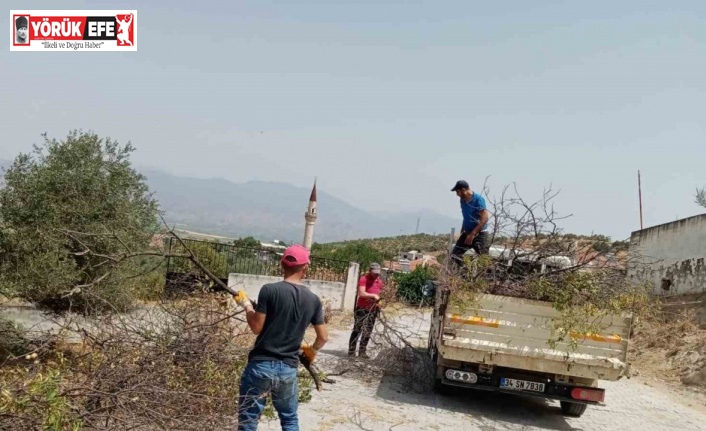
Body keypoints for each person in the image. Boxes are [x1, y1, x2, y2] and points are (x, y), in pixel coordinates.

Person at [233, 244, 328, 431]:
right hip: (287, 369)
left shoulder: (269, 290)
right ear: (305, 267)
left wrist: (246, 306)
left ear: (281, 264)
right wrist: (311, 351)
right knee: (289, 419)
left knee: (249, 420)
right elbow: (323, 337)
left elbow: (256, 327)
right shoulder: (313, 299)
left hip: (260, 366)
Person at [450, 180, 491, 266]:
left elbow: (485, 218)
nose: (457, 194)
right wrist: (463, 227)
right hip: (467, 233)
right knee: (455, 255)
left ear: (464, 190)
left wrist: (473, 234)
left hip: (479, 234)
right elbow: (466, 215)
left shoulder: (478, 200)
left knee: (484, 261)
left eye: (458, 191)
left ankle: (488, 278)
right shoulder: (463, 201)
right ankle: (465, 275)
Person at [348, 262, 383, 359]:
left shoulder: (379, 281)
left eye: (378, 272)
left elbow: (378, 294)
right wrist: (373, 296)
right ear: (370, 271)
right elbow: (361, 293)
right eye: (374, 272)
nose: (376, 274)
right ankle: (351, 352)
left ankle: (362, 352)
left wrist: (378, 303)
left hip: (373, 310)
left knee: (368, 331)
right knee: (357, 330)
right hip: (362, 309)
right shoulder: (364, 279)